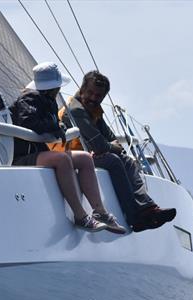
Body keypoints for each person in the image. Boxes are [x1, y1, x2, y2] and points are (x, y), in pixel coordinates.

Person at [10, 62, 126, 234]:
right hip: (22, 156)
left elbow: (52, 124)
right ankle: (81, 216)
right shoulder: (30, 98)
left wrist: (58, 128)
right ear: (54, 87)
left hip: (39, 153)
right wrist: (55, 128)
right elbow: (29, 121)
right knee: (63, 159)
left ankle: (100, 212)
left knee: (85, 158)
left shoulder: (47, 100)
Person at [59, 71, 176, 232]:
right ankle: (135, 217)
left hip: (87, 155)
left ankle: (148, 208)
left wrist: (108, 146)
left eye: (98, 95)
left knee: (126, 160)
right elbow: (100, 144)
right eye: (90, 93)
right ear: (82, 88)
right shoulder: (76, 109)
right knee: (113, 160)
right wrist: (108, 147)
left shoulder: (93, 109)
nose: (93, 98)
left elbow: (110, 138)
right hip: (72, 157)